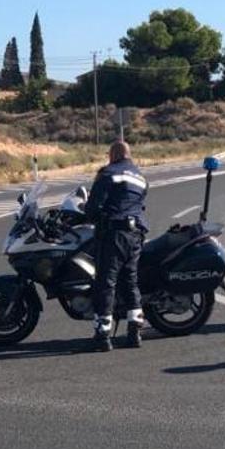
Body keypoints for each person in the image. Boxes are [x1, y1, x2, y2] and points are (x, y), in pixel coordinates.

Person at [83, 139, 149, 351]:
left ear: (112, 155)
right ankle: (134, 332)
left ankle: (103, 335)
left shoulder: (109, 173)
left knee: (106, 282)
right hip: (136, 234)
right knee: (130, 281)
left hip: (114, 234)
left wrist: (90, 217)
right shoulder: (141, 178)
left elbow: (93, 206)